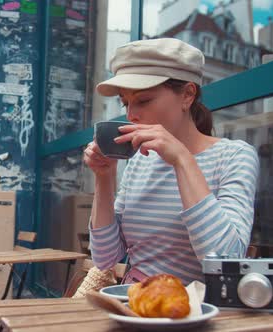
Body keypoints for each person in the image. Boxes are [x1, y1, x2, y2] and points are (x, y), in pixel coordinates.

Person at [84, 38, 259, 285]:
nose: (131, 114)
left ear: (187, 95)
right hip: (133, 305)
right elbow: (105, 258)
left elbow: (225, 261)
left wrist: (182, 159)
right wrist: (104, 178)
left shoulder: (234, 157)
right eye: (126, 102)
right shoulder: (140, 162)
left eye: (143, 100)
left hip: (193, 312)